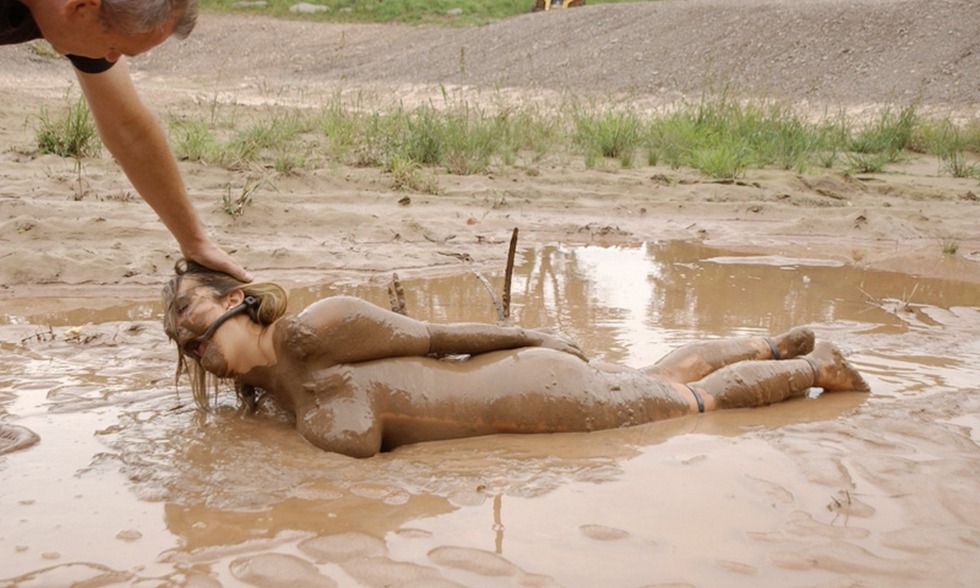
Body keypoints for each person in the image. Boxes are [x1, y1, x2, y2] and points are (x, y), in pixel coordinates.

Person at [162, 260, 871, 458]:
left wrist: (532, 335)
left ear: (240, 300)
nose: (196, 352)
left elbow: (434, 337)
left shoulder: (316, 332)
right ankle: (775, 346)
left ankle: (814, 369)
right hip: (519, 399)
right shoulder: (269, 386)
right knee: (655, 378)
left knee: (694, 405)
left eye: (197, 330)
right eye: (184, 347)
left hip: (534, 394)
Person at [2, 0, 250, 281]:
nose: (110, 59)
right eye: (115, 48)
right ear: (80, 8)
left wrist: (195, 242)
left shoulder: (79, 16)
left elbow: (127, 129)